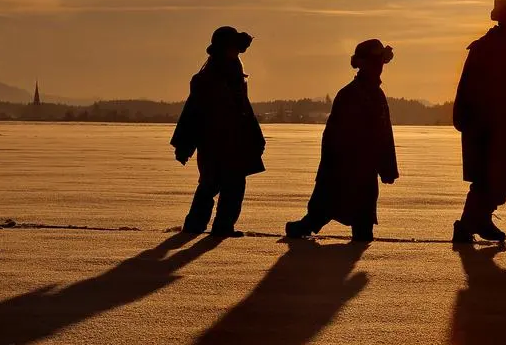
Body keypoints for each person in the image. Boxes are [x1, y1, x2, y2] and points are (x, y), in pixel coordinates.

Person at [285, 40, 400, 243]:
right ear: (363, 64)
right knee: (326, 206)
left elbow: (384, 134)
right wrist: (336, 165)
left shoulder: (375, 94)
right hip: (345, 167)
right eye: (375, 62)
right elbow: (334, 136)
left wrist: (387, 167)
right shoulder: (351, 94)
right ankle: (301, 229)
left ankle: (309, 228)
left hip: (365, 169)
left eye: (380, 62)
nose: (379, 66)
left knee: (362, 221)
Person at [451, 0, 506, 244]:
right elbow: (469, 90)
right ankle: (468, 225)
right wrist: (471, 124)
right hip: (487, 132)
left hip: (505, 132)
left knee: (500, 183)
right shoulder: (485, 50)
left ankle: (478, 221)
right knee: (489, 181)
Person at [171, 26, 266, 238]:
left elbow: (244, 110)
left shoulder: (234, 74)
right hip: (215, 142)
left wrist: (255, 137)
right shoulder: (207, 78)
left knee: (230, 186)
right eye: (233, 48)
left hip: (234, 141)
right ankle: (197, 226)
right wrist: (184, 144)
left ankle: (220, 226)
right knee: (211, 184)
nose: (237, 52)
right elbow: (193, 112)